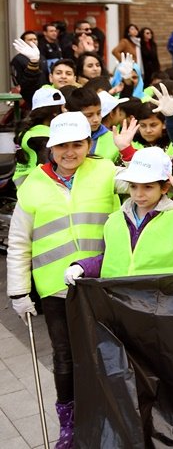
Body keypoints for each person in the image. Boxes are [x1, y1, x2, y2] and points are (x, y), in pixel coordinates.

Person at [7, 112, 130, 448]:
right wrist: (19, 292)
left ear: (88, 144)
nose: (70, 152)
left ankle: (107, 417)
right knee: (64, 358)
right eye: (62, 146)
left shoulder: (105, 170)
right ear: (51, 148)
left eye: (77, 144)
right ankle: (69, 424)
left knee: (106, 355)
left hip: (102, 283)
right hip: (55, 289)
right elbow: (19, 242)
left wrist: (127, 151)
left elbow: (144, 183)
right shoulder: (33, 184)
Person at [65, 149, 173, 282]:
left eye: (148, 187)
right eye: (133, 186)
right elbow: (110, 259)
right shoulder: (114, 221)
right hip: (120, 296)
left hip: (164, 296)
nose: (139, 194)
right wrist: (82, 267)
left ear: (164, 187)